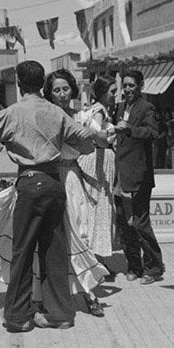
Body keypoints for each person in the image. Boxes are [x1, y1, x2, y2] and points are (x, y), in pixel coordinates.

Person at [0, 59, 107, 333]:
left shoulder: (13, 113)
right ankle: (60, 314)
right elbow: (85, 139)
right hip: (55, 183)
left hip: (29, 184)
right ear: (42, 84)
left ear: (19, 83)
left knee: (24, 252)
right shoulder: (55, 113)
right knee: (54, 251)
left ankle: (18, 317)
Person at [43, 68, 110, 317]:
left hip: (71, 177)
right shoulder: (46, 116)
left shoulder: (82, 116)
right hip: (49, 175)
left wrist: (94, 133)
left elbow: (100, 140)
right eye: (56, 90)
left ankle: (89, 293)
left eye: (65, 89)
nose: (61, 94)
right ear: (49, 94)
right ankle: (52, 294)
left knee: (79, 233)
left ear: (72, 90)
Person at [114, 70, 165, 284]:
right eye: (124, 85)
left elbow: (153, 133)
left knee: (140, 223)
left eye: (131, 86)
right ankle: (133, 265)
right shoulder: (120, 107)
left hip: (139, 174)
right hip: (121, 173)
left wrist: (131, 129)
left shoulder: (147, 108)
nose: (127, 90)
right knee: (123, 224)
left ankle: (154, 267)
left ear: (141, 86)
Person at [75, 75, 118, 263]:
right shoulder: (99, 110)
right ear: (102, 93)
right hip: (99, 158)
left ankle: (92, 257)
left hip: (90, 158)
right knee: (99, 207)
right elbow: (98, 135)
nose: (115, 96)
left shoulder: (90, 110)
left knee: (92, 207)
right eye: (113, 92)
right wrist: (110, 134)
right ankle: (97, 258)